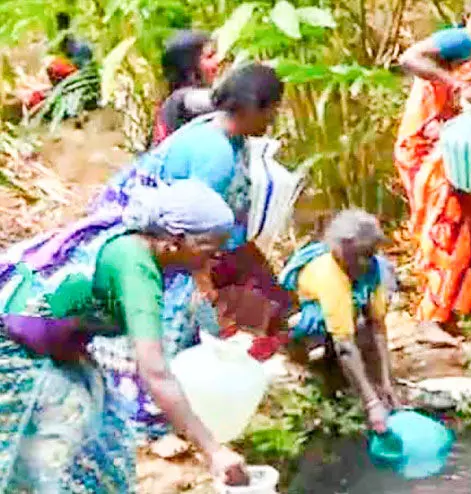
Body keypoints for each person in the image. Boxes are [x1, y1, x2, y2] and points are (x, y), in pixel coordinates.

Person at [0, 180, 249, 492]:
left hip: (49, 340)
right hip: (11, 343)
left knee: (101, 418)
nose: (213, 259)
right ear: (176, 240)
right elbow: (155, 373)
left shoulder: (136, 239)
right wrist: (214, 451)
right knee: (62, 427)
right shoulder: (134, 268)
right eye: (210, 249)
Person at [89, 63, 291, 441]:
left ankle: (167, 396)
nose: (273, 120)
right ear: (251, 109)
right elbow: (194, 228)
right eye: (271, 111)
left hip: (175, 241)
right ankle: (150, 410)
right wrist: (204, 283)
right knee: (165, 322)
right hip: (169, 245)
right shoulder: (215, 155)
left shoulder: (215, 129)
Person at [394, 0, 471, 329]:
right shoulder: (460, 41)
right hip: (429, 149)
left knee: (466, 228)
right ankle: (432, 319)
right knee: (444, 226)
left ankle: (452, 315)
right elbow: (409, 58)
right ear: (470, 15)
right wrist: (456, 84)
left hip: (458, 151)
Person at [279, 210, 399, 433]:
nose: (365, 262)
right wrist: (372, 404)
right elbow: (344, 344)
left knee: (364, 330)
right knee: (337, 337)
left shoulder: (373, 268)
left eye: (370, 254)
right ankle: (319, 367)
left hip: (348, 312)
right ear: (340, 249)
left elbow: (379, 327)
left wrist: (387, 382)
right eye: (360, 255)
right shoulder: (329, 274)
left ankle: (363, 382)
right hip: (307, 319)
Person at [151, 30, 221, 146]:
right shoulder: (182, 99)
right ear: (189, 67)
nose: (217, 61)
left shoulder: (173, 101)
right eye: (209, 57)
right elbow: (222, 100)